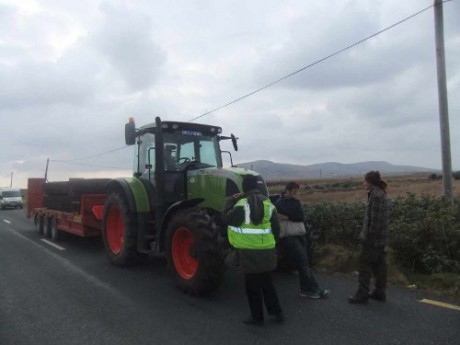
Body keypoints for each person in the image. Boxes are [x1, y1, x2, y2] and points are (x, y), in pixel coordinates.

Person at [224, 174, 284, 326]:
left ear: (244, 188)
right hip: (267, 251)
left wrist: (231, 199)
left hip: (247, 252)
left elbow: (226, 218)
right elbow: (276, 229)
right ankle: (277, 313)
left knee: (252, 286)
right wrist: (270, 244)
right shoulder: (269, 204)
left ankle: (257, 317)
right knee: (267, 283)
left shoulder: (240, 205)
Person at [275, 181, 330, 299]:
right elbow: (293, 214)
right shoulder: (280, 202)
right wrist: (293, 209)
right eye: (294, 192)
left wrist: (287, 217)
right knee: (303, 262)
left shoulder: (294, 202)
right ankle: (313, 289)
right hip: (290, 236)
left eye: (297, 192)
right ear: (287, 191)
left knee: (303, 263)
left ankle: (307, 289)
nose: (296, 194)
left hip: (299, 234)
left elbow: (300, 216)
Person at [348, 171, 389, 304]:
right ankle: (379, 292)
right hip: (380, 238)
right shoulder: (379, 193)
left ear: (370, 181)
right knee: (379, 265)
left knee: (364, 265)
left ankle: (362, 294)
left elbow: (375, 222)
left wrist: (369, 238)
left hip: (373, 239)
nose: (363, 183)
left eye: (364, 180)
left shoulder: (376, 195)